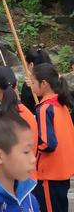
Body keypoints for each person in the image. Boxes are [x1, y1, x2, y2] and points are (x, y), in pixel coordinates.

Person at [31, 63, 74, 212]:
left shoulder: (44, 109)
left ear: (44, 84)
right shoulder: (61, 105)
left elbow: (47, 143)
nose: (31, 85)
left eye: (33, 82)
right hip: (64, 172)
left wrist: (31, 148)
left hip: (49, 174)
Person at [0, 66, 38, 179]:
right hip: (30, 176)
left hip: (10, 179)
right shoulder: (27, 113)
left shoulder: (1, 119)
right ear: (15, 85)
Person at [20, 47, 52, 114]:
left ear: (31, 65)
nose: (24, 66)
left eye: (25, 63)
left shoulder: (29, 86)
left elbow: (24, 111)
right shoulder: (55, 80)